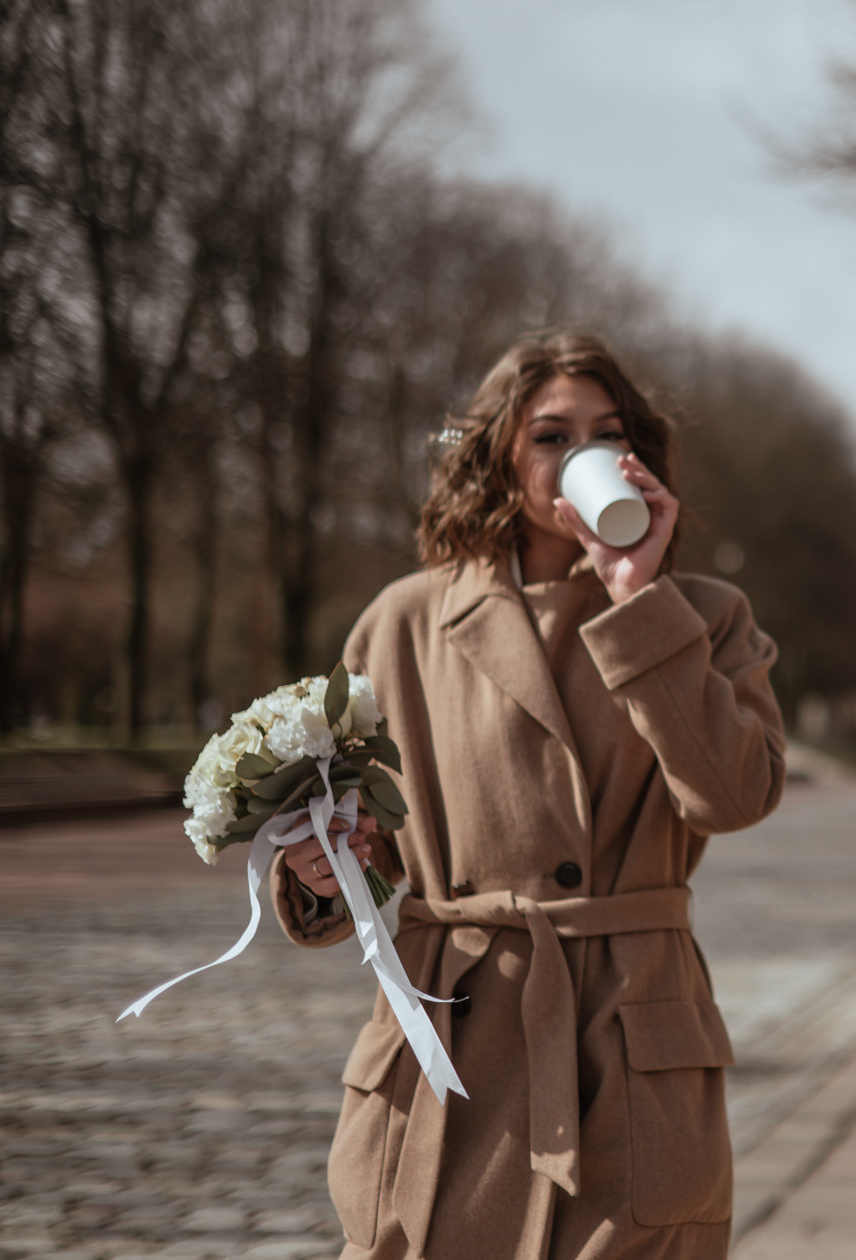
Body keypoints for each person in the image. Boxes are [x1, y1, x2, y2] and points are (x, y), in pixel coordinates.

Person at [274, 330, 785, 1260]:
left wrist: (638, 597)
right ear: (500, 458)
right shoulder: (402, 622)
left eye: (608, 433)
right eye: (552, 435)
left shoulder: (704, 615)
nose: (585, 454)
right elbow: (368, 851)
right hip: (452, 1046)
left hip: (627, 1048)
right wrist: (321, 867)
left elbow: (735, 795)